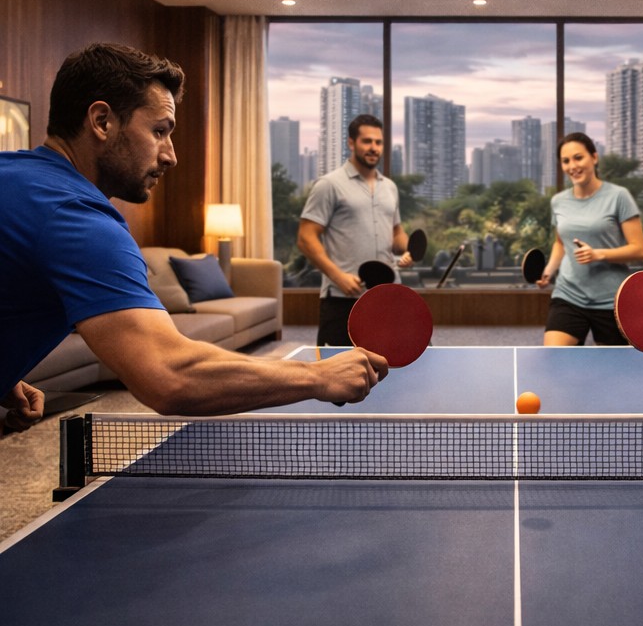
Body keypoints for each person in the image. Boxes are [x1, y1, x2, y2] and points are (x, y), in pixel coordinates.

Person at [0, 42, 387, 431]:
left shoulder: (15, 178)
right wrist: (317, 377)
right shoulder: (77, 218)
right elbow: (169, 375)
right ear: (102, 121)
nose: (171, 155)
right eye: (159, 131)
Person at [297, 115, 414, 346]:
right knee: (337, 376)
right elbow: (305, 237)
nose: (374, 148)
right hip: (344, 297)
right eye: (367, 141)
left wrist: (408, 248)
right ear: (351, 143)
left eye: (378, 143)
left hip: (388, 294)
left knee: (405, 366)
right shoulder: (329, 184)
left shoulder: (389, 187)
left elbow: (397, 232)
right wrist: (337, 276)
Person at [537, 133, 643, 344]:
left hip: (611, 300)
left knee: (612, 373)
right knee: (553, 360)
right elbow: (560, 243)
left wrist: (598, 254)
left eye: (579, 158)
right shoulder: (558, 202)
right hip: (568, 294)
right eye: (566, 161)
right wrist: (549, 271)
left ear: (594, 158)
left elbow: (639, 251)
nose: (572, 166)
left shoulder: (619, 196)